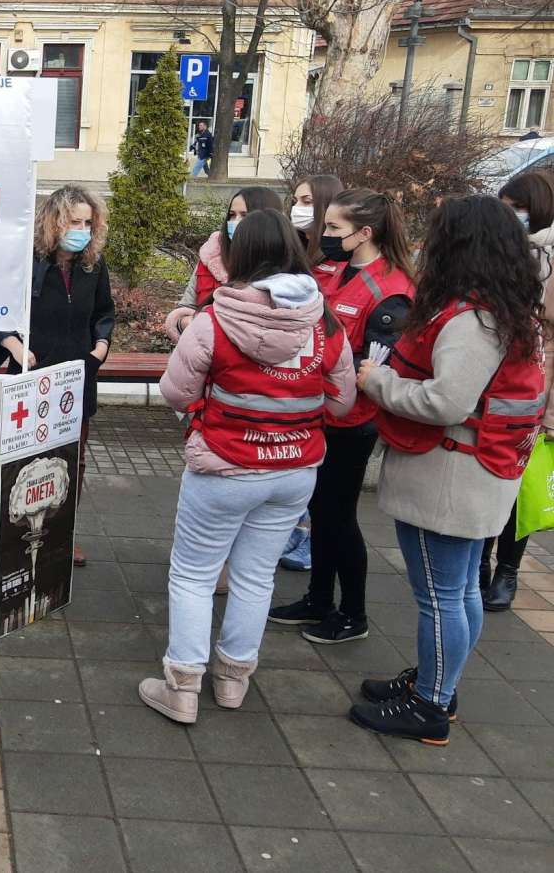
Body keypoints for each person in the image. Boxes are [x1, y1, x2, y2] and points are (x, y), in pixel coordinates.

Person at [140, 209, 356, 723]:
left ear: (240, 257)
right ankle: (233, 682)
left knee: (193, 575)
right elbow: (343, 402)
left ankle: (183, 688)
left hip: (224, 466)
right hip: (295, 471)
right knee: (256, 577)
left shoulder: (215, 320)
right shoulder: (326, 324)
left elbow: (175, 392)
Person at [352, 195, 547, 745]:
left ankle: (431, 705)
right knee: (459, 590)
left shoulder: (471, 320)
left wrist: (377, 381)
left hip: (450, 475)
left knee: (439, 594)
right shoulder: (503, 309)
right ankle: (440, 680)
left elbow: (446, 402)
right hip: (473, 472)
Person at [270, 190, 415, 645]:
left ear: (365, 233)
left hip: (352, 421)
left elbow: (377, 363)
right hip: (314, 413)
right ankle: (317, 599)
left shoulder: (391, 289)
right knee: (317, 510)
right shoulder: (327, 271)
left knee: (339, 515)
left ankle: (353, 613)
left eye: (333, 229)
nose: (325, 236)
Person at [0, 185, 114, 567]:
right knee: (28, 458)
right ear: (55, 222)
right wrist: (13, 344)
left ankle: (63, 535)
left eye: (88, 222)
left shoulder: (93, 264)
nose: (82, 229)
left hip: (77, 377)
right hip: (34, 377)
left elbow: (104, 312)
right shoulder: (27, 263)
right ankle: (19, 533)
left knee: (73, 461)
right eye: (74, 221)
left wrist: (100, 348)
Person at [481, 170, 554, 609]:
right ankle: (480, 564)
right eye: (505, 209)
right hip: (498, 376)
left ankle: (508, 569)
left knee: (518, 487)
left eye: (517, 209)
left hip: (538, 385)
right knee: (493, 478)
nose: (511, 218)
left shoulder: (547, 255)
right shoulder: (503, 252)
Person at [277, 174, 346, 572]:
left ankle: (309, 540)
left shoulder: (336, 265)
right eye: (295, 199)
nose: (297, 207)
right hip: (301, 386)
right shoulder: (300, 253)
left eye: (306, 200)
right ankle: (296, 531)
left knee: (325, 484)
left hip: (325, 388)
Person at [165, 187, 284, 342]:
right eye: (232, 215)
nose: (235, 222)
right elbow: (185, 309)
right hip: (204, 353)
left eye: (245, 216)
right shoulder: (210, 257)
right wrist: (186, 323)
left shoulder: (284, 268)